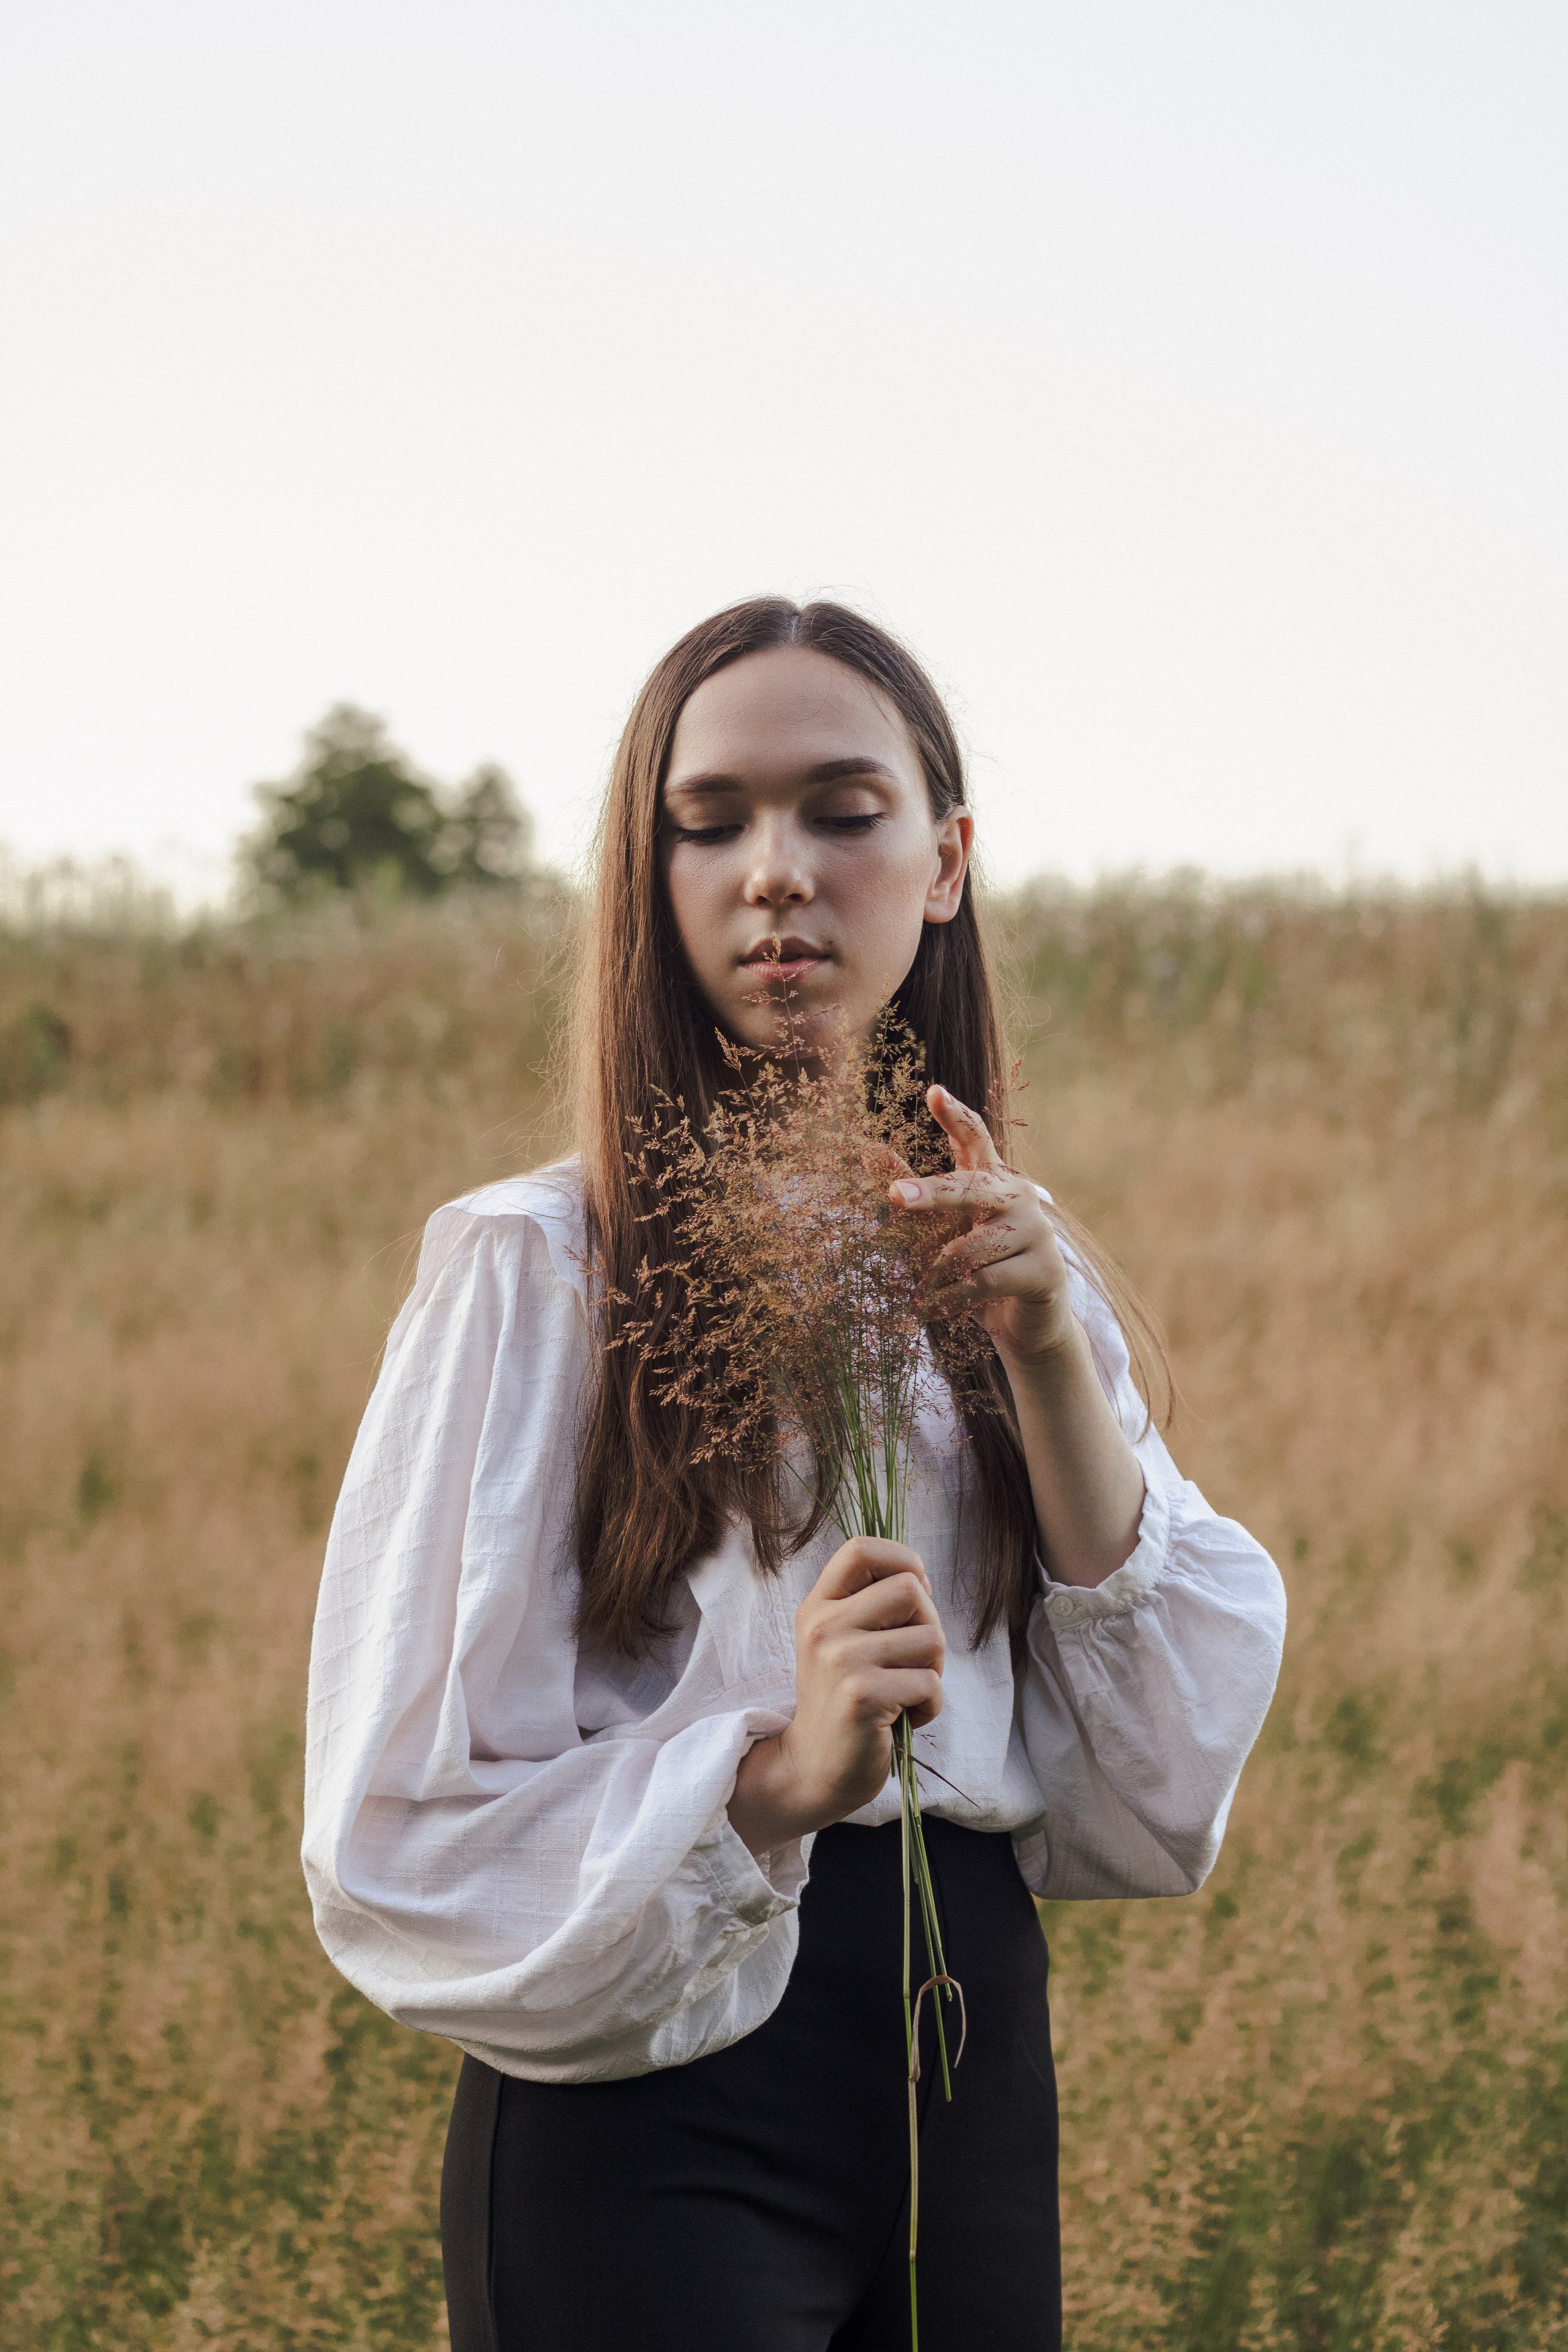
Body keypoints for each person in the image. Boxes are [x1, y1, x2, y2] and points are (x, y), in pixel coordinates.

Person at [303, 598, 1286, 2352]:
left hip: (966, 2055)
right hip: (651, 2084)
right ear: (650, 874)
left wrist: (1046, 1347)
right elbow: (396, 1834)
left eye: (843, 811)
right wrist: (779, 1776)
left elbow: (1156, 1783)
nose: (776, 872)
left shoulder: (1010, 1260)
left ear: (945, 861)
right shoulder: (538, 1268)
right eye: (711, 823)